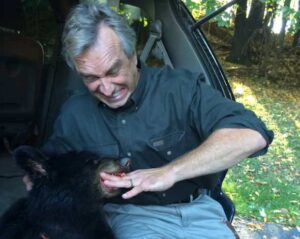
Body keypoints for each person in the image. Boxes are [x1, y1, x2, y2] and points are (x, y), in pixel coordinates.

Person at [42, 3, 274, 239]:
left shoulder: (180, 88)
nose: (107, 88)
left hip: (198, 210)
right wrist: (95, 186)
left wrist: (169, 172)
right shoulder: (74, 114)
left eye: (113, 71)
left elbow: (251, 135)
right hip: (129, 217)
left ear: (133, 54)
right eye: (91, 78)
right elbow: (46, 177)